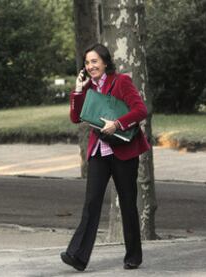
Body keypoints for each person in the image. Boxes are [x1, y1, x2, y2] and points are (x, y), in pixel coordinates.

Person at [60, 43, 150, 271]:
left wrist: (117, 124)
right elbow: (75, 117)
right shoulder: (89, 86)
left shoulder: (121, 82)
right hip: (99, 152)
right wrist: (79, 90)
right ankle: (77, 256)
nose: (90, 66)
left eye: (94, 62)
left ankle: (133, 256)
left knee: (128, 203)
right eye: (87, 63)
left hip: (122, 151)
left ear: (105, 62)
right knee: (91, 203)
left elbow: (140, 110)